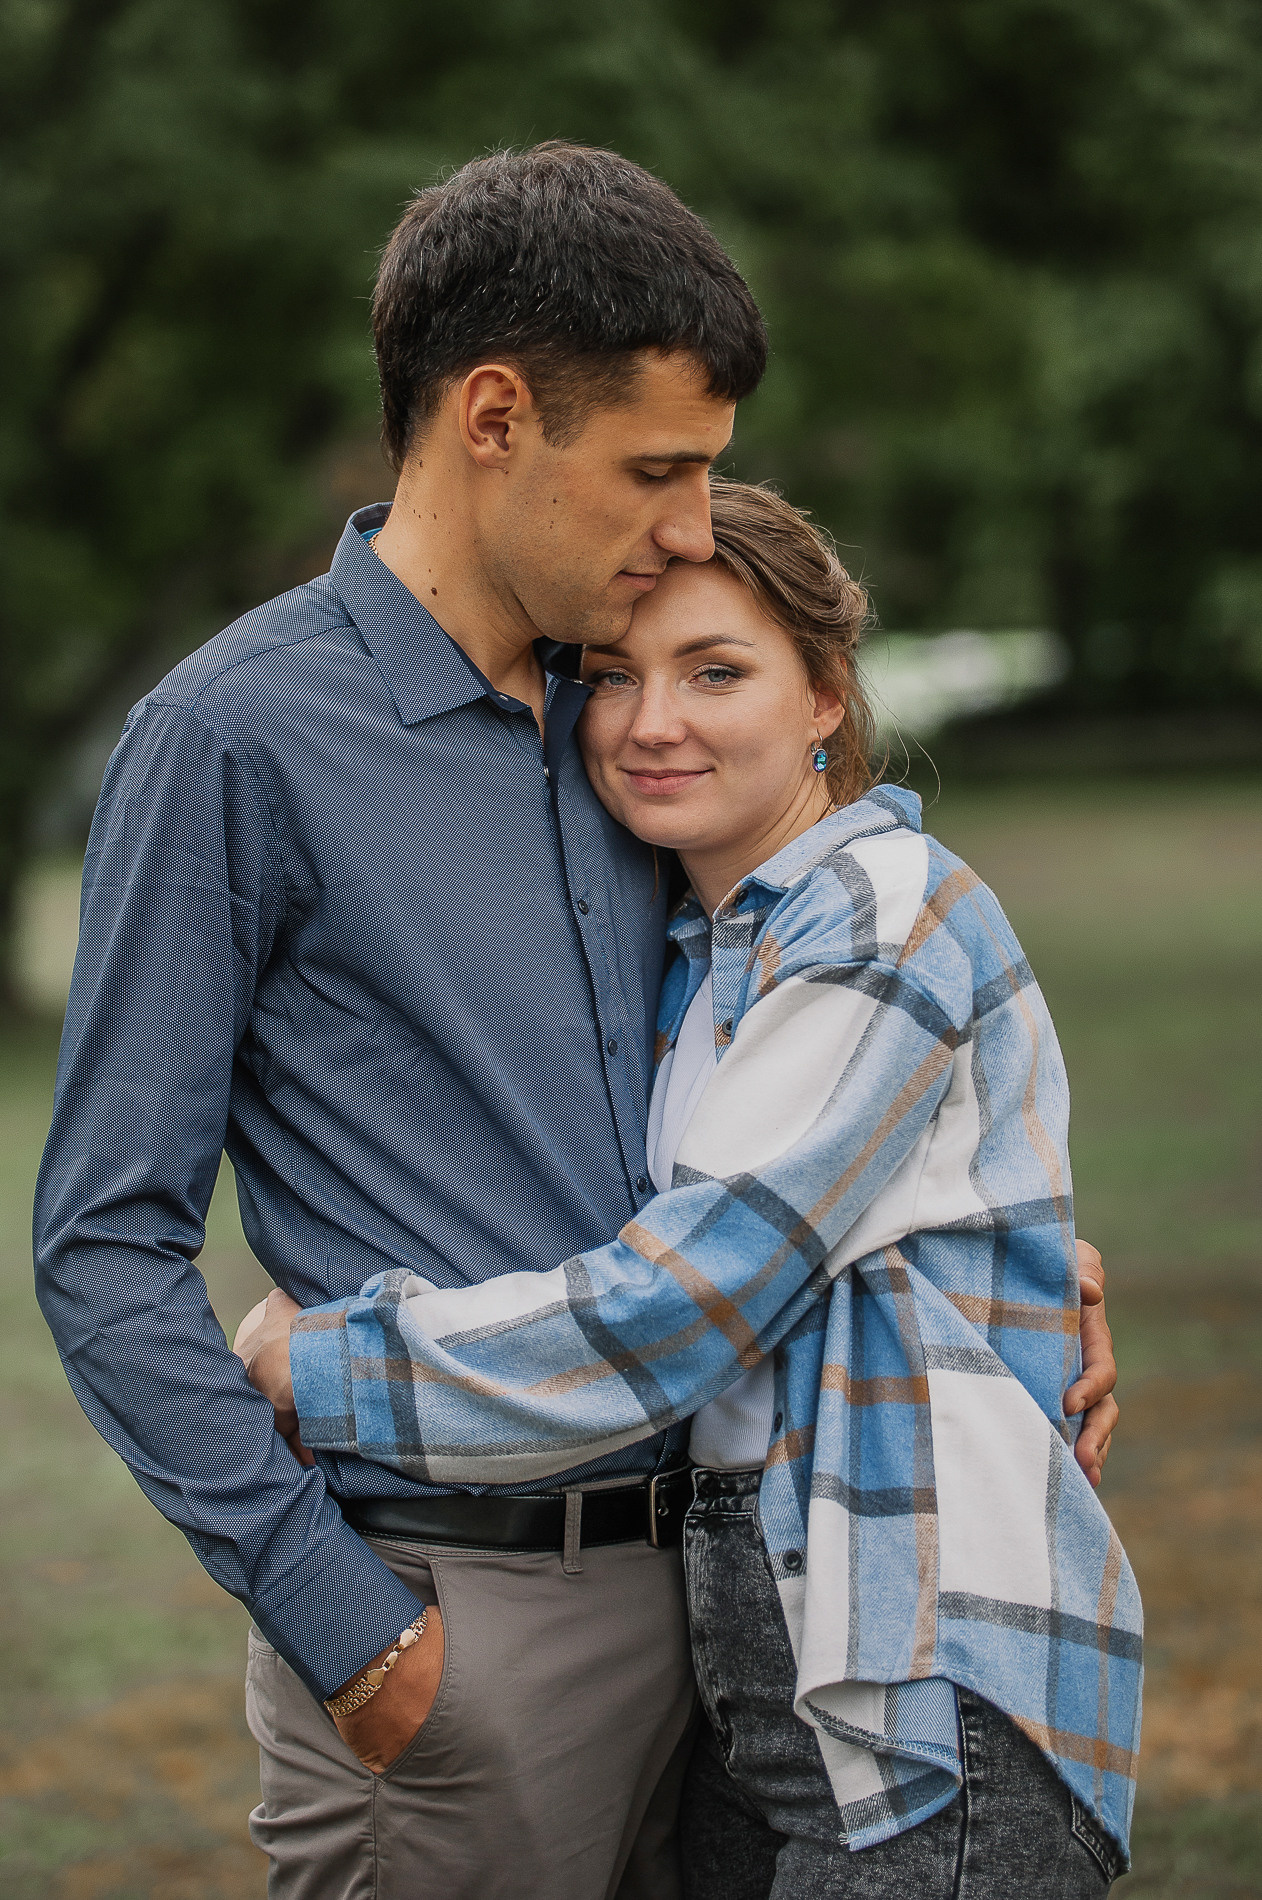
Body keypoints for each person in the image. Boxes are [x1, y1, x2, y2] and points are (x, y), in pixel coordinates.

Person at [35, 140, 1117, 1900]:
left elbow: (778, 1092)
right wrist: (354, 1635)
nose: (693, 527)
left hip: (739, 1614)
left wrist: (989, 1257)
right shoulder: (229, 742)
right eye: (658, 471)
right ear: (489, 419)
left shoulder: (622, 729)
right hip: (459, 1633)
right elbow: (99, 1245)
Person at [245, 480, 1140, 1896]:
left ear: (825, 698)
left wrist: (321, 1366)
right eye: (610, 680)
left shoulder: (879, 916)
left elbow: (680, 1307)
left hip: (919, 1691)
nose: (650, 722)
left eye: (715, 671)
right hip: (758, 1673)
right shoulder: (696, 948)